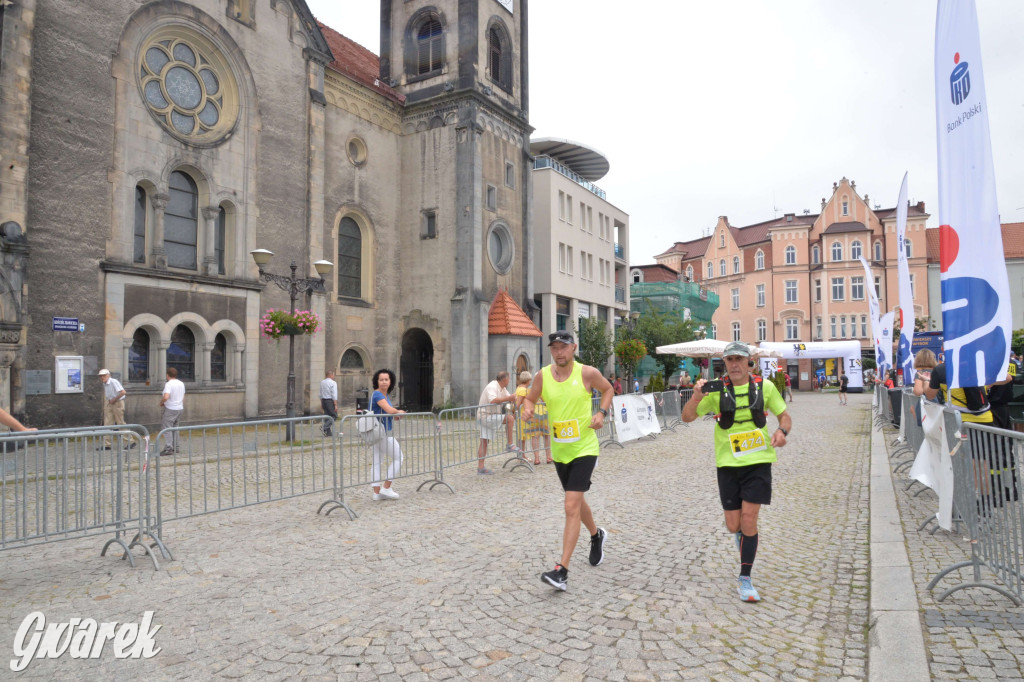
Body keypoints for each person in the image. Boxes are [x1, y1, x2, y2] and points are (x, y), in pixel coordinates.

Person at [681, 340, 792, 603]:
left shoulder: (765, 387)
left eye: (739, 359)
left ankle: (745, 578)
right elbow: (687, 417)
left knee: (749, 519)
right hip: (728, 465)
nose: (734, 365)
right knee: (734, 525)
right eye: (729, 360)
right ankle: (743, 539)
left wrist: (782, 431)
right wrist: (696, 397)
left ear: (749, 362)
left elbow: (785, 416)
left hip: (758, 462)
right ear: (725, 363)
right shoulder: (715, 390)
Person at [522, 330, 613, 591]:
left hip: (585, 448)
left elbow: (607, 389)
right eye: (554, 348)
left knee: (570, 505)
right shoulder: (542, 376)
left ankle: (561, 570)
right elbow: (530, 397)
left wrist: (601, 413)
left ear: (573, 347)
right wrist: (528, 408)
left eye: (563, 347)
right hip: (560, 451)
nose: (559, 352)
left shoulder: (587, 373)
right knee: (577, 501)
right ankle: (596, 535)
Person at [369, 368, 405, 500]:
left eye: (386, 379)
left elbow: (387, 412)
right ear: (377, 381)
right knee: (399, 457)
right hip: (382, 433)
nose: (384, 382)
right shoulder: (378, 395)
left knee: (377, 461)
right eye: (381, 380)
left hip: (377, 433)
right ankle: (386, 487)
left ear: (390, 381)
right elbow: (389, 409)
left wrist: (395, 415)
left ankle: (377, 493)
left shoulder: (384, 395)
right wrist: (398, 411)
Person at [476, 371, 520, 475]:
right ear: (505, 379)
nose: (509, 381)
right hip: (485, 416)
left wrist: (513, 399)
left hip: (488, 415)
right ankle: (509, 444)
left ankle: (480, 467)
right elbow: (493, 400)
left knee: (484, 441)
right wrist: (509, 398)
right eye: (509, 379)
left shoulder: (502, 388)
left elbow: (509, 398)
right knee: (509, 419)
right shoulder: (492, 386)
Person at [514, 370, 551, 465]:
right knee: (546, 435)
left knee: (535, 436)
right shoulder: (542, 389)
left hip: (534, 414)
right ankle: (548, 457)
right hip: (543, 413)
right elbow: (545, 400)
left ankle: (537, 459)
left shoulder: (530, 390)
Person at [98, 368, 129, 450]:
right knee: (107, 423)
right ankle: (107, 444)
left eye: (104, 375)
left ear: (108, 375)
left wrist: (114, 399)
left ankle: (130, 441)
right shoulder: (105, 383)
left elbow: (123, 392)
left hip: (117, 402)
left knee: (120, 422)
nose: (102, 377)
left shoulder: (113, 381)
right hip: (110, 402)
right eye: (101, 376)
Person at [159, 367, 185, 456]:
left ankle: (168, 448)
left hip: (171, 408)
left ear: (167, 375)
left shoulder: (169, 384)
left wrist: (162, 402)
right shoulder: (181, 383)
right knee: (175, 428)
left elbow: (166, 396)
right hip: (179, 407)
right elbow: (183, 396)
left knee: (167, 428)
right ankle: (176, 447)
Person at [319, 369, 338, 436]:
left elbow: (320, 394)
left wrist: (321, 403)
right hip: (330, 401)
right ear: (331, 375)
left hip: (324, 400)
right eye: (333, 375)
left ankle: (328, 433)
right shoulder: (333, 383)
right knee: (334, 416)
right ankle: (324, 427)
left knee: (327, 416)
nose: (334, 376)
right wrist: (335, 404)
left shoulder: (322, 382)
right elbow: (334, 394)